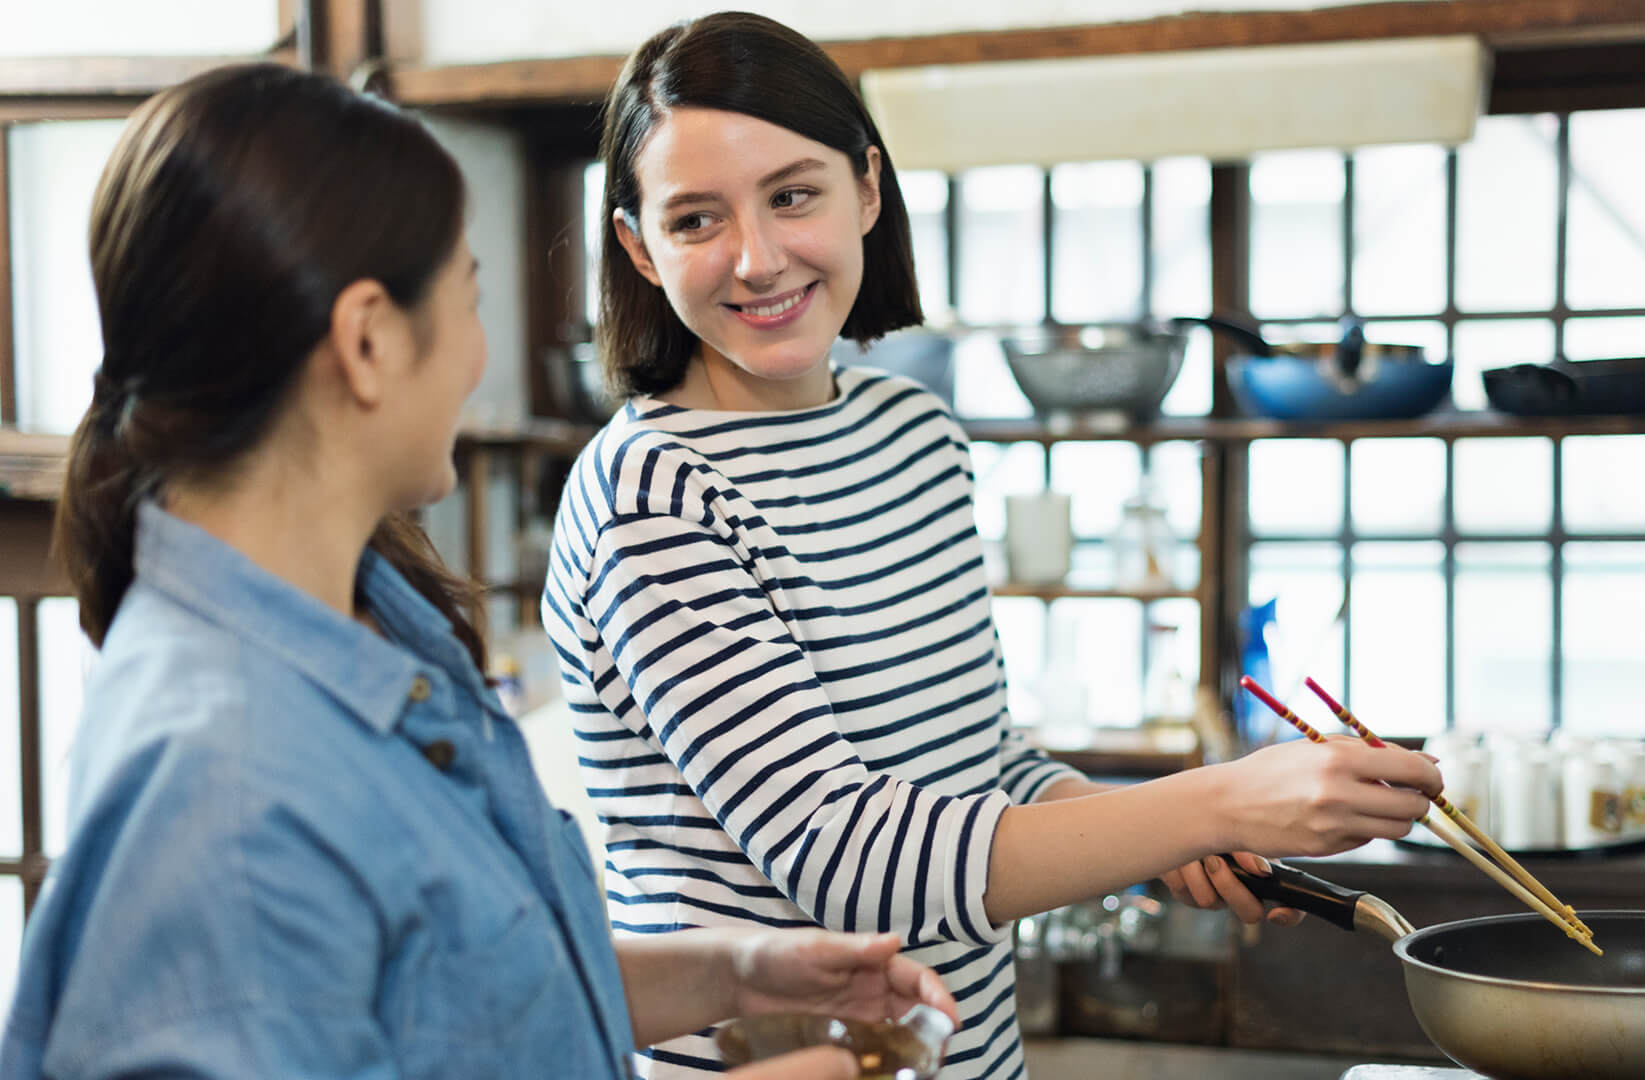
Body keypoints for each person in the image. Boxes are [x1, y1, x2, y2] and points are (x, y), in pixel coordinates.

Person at [0, 62, 957, 1080]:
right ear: (369, 342)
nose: (477, 354)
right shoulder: (223, 783)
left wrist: (735, 970)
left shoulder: (372, 624)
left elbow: (455, 996)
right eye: (466, 297)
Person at [543, 12, 1444, 1080]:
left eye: (794, 195)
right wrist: (1219, 798)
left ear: (867, 190)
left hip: (972, 1059)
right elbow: (847, 857)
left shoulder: (913, 432)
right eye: (697, 219)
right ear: (639, 247)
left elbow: (981, 762)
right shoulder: (651, 493)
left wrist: (1153, 836)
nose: (758, 257)